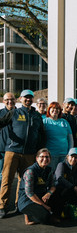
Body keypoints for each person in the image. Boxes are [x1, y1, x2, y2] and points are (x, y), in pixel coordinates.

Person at [0, 89, 45, 219]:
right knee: (7, 179)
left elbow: (42, 135)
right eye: (25, 97)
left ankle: (20, 205)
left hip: (30, 154)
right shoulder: (14, 112)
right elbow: (2, 123)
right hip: (12, 151)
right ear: (20, 99)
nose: (28, 99)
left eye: (30, 97)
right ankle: (2, 206)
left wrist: (39, 150)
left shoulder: (37, 116)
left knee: (24, 181)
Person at [17, 148, 56, 225]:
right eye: (42, 157)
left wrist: (48, 193)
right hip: (27, 200)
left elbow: (53, 186)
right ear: (37, 158)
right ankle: (28, 217)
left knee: (59, 203)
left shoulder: (49, 170)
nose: (45, 159)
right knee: (45, 217)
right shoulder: (30, 172)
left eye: (47, 157)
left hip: (41, 196)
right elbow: (29, 193)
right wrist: (44, 206)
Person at [52, 147, 77, 216]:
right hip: (60, 190)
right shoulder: (61, 165)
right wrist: (74, 188)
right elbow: (60, 178)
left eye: (76, 157)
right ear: (67, 157)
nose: (73, 159)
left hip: (72, 190)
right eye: (72, 156)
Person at [43, 102, 74, 170]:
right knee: (52, 175)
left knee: (62, 175)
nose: (55, 110)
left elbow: (70, 139)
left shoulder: (65, 122)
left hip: (64, 154)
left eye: (57, 108)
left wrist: (70, 153)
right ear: (49, 110)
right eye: (53, 108)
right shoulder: (45, 122)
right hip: (51, 154)